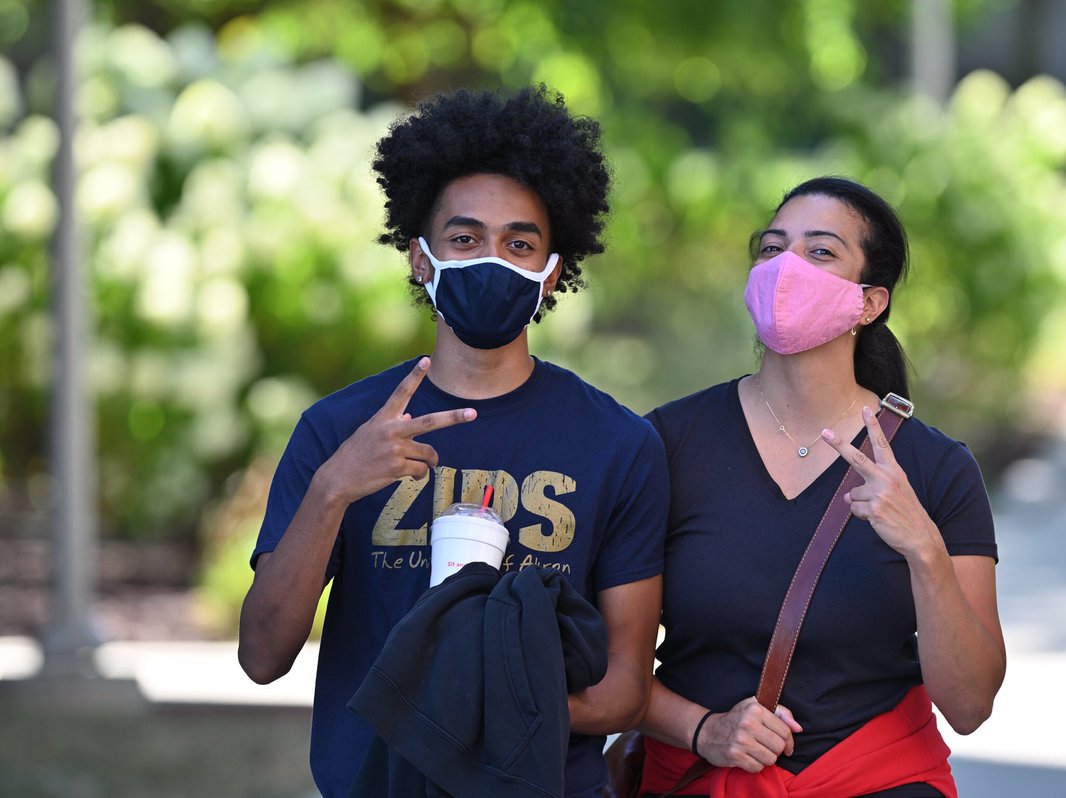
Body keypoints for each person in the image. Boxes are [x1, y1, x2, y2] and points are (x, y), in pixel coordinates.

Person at [237, 85, 669, 798]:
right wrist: (335, 488)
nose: (491, 259)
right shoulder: (339, 430)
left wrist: (476, 721)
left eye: (519, 243)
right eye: (465, 239)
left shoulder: (618, 444)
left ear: (550, 273)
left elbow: (626, 687)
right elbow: (261, 656)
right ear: (420, 259)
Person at [636, 176, 1005, 797]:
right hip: (698, 777)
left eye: (821, 252)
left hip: (878, 780)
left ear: (870, 303)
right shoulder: (666, 443)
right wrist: (703, 730)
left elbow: (969, 707)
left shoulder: (937, 468)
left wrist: (924, 550)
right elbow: (603, 665)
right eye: (772, 248)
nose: (786, 268)